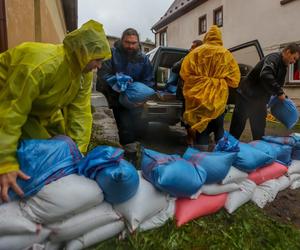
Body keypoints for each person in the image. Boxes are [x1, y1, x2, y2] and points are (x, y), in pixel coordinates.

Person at [0, 20, 111, 202]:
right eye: (97, 59)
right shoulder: (41, 65)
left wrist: (77, 154)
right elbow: (11, 111)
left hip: (32, 113)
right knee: (14, 155)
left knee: (50, 153)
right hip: (6, 106)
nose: (99, 66)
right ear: (83, 52)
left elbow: (80, 113)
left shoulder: (82, 74)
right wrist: (5, 164)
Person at [180, 25, 240, 151]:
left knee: (202, 129)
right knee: (219, 127)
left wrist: (200, 80)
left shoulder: (196, 52)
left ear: (207, 37)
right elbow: (235, 80)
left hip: (199, 97)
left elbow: (184, 74)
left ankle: (202, 160)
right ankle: (221, 157)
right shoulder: (226, 54)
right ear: (219, 37)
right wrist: (219, 80)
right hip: (219, 98)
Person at [97, 28, 154, 158]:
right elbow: (103, 74)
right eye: (127, 42)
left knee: (140, 129)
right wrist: (117, 82)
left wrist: (142, 99)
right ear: (121, 41)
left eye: (133, 43)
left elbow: (149, 80)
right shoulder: (112, 54)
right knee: (126, 128)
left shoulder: (144, 59)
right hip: (118, 101)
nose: (130, 46)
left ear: (138, 43)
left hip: (138, 103)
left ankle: (138, 155)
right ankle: (129, 157)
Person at [229, 43, 300, 140]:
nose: (294, 62)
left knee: (259, 132)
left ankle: (258, 151)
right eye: (294, 58)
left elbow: (276, 85)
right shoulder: (273, 58)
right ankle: (227, 149)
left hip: (259, 101)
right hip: (246, 97)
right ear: (288, 52)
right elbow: (266, 74)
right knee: (237, 128)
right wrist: (279, 92)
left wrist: (282, 95)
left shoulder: (283, 68)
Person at [170, 40, 203, 145]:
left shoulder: (198, 59)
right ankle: (192, 140)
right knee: (189, 119)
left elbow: (175, 68)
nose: (190, 49)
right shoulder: (189, 58)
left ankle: (194, 141)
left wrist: (187, 57)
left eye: (192, 47)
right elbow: (175, 68)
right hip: (189, 94)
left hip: (194, 94)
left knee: (192, 119)